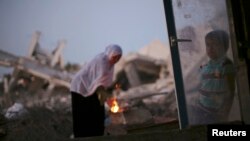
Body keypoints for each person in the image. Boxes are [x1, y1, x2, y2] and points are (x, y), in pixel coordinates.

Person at [70, 44, 122, 138]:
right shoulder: (101, 61)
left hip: (93, 88)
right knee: (82, 113)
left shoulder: (110, 64)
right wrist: (108, 100)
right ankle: (81, 137)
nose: (116, 60)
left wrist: (108, 98)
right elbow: (98, 81)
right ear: (110, 54)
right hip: (80, 87)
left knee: (97, 112)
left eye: (119, 58)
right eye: (115, 57)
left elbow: (103, 84)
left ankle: (96, 135)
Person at [190, 30, 236, 125]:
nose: (210, 48)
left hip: (215, 113)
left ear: (225, 46)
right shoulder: (206, 66)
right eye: (207, 45)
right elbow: (201, 86)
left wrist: (225, 112)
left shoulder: (226, 65)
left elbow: (230, 91)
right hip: (201, 108)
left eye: (215, 44)